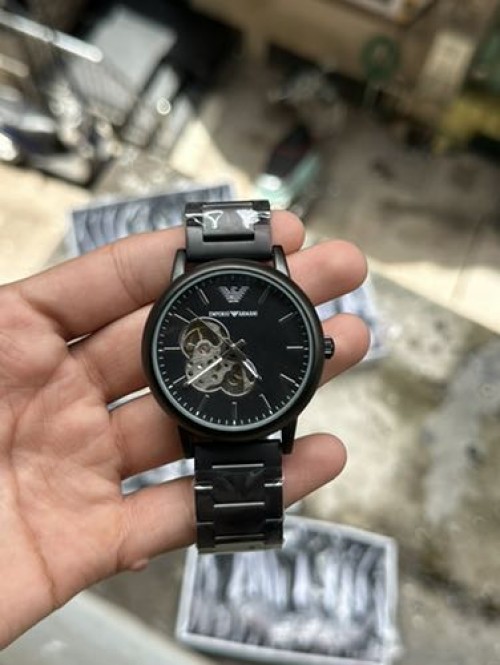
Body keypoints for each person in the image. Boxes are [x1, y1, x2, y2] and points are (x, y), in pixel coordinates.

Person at [0, 211, 369, 648]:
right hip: (217, 411)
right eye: (221, 352)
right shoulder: (200, 350)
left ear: (319, 348)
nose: (229, 351)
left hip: (244, 411)